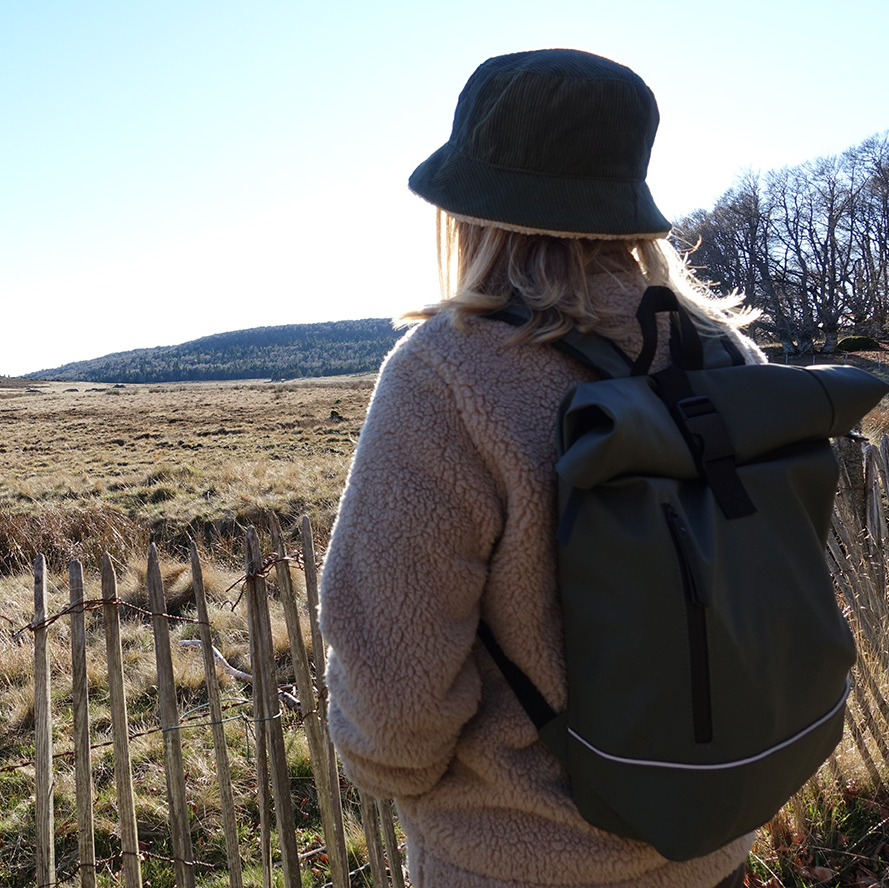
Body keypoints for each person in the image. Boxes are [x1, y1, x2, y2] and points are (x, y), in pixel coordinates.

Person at [318, 49, 762, 888]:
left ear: (470, 209)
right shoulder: (723, 352)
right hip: (709, 842)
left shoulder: (446, 373)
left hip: (515, 858)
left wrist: (391, 775)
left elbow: (397, 699)